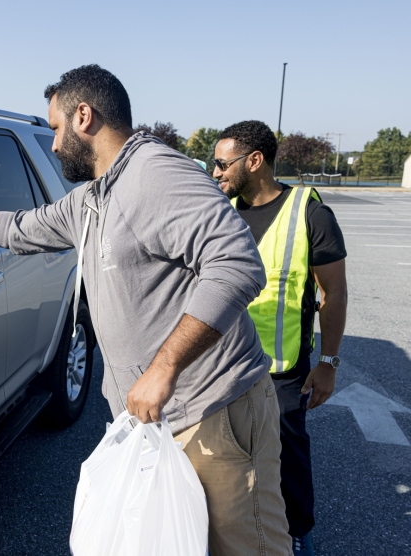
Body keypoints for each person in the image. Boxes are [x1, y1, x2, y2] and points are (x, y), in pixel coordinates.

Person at [0, 64, 292, 556]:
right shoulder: (92, 197)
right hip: (158, 421)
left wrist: (164, 367)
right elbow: (18, 228)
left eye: (54, 129)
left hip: (215, 411)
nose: (50, 145)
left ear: (83, 116)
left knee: (243, 548)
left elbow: (238, 264)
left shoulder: (155, 173)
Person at [214, 121, 348, 556]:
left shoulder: (310, 214)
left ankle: (295, 531)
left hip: (281, 367)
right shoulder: (219, 210)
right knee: (223, 455)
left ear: (254, 161)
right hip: (221, 362)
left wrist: (328, 363)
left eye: (221, 163)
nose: (216, 173)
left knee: (287, 454)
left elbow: (334, 291)